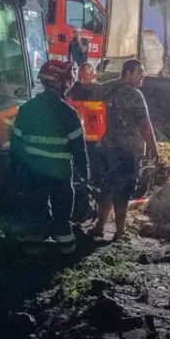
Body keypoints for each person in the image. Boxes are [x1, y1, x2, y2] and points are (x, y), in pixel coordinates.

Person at [10, 60, 90, 255]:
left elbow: (16, 147)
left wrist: (18, 174)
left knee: (35, 217)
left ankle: (31, 261)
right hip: (60, 176)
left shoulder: (27, 109)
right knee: (62, 220)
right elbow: (80, 149)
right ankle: (67, 261)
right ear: (58, 83)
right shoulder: (68, 113)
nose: (68, 86)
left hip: (33, 175)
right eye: (67, 82)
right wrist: (86, 177)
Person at [88, 59, 159, 242]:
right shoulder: (134, 95)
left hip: (102, 149)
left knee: (106, 187)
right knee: (123, 191)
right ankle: (120, 232)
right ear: (128, 73)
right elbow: (144, 125)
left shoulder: (101, 89)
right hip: (127, 152)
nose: (143, 76)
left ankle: (99, 226)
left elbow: (90, 117)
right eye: (139, 72)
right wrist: (154, 149)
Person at [65, 63, 100, 223]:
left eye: (84, 76)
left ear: (94, 75)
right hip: (77, 136)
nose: (81, 79)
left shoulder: (101, 91)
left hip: (96, 138)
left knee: (94, 168)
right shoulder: (74, 90)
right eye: (79, 76)